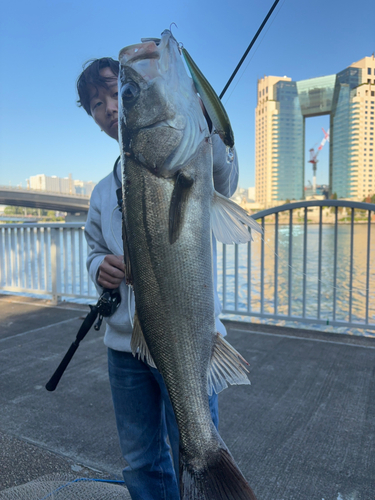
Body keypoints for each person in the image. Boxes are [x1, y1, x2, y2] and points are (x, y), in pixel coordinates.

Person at [77, 56, 239, 500]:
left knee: (194, 436)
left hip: (189, 340)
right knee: (141, 461)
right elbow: (93, 249)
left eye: (118, 93)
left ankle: (208, 469)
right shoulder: (102, 190)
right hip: (124, 350)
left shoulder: (192, 153)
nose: (110, 108)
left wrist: (208, 121)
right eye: (96, 103)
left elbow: (226, 179)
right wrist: (99, 268)